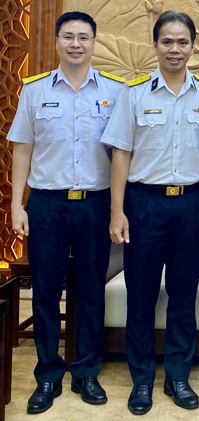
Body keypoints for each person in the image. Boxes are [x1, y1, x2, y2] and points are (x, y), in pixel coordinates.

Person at [100, 11, 199, 415]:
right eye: (167, 41)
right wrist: (117, 211)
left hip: (191, 204)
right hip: (144, 204)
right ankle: (141, 380)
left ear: (193, 46)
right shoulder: (134, 94)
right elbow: (121, 154)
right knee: (141, 295)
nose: (175, 49)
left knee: (183, 296)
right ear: (155, 45)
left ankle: (178, 376)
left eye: (182, 41)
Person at [8, 11, 124, 414]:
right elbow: (22, 149)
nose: (76, 44)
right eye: (69, 36)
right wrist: (17, 204)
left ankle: (86, 371)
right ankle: (47, 375)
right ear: (57, 41)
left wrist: (118, 208)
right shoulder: (34, 90)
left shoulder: (115, 91)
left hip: (95, 203)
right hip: (47, 203)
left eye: (84, 37)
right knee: (44, 290)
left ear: (94, 42)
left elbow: (122, 155)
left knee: (91, 288)